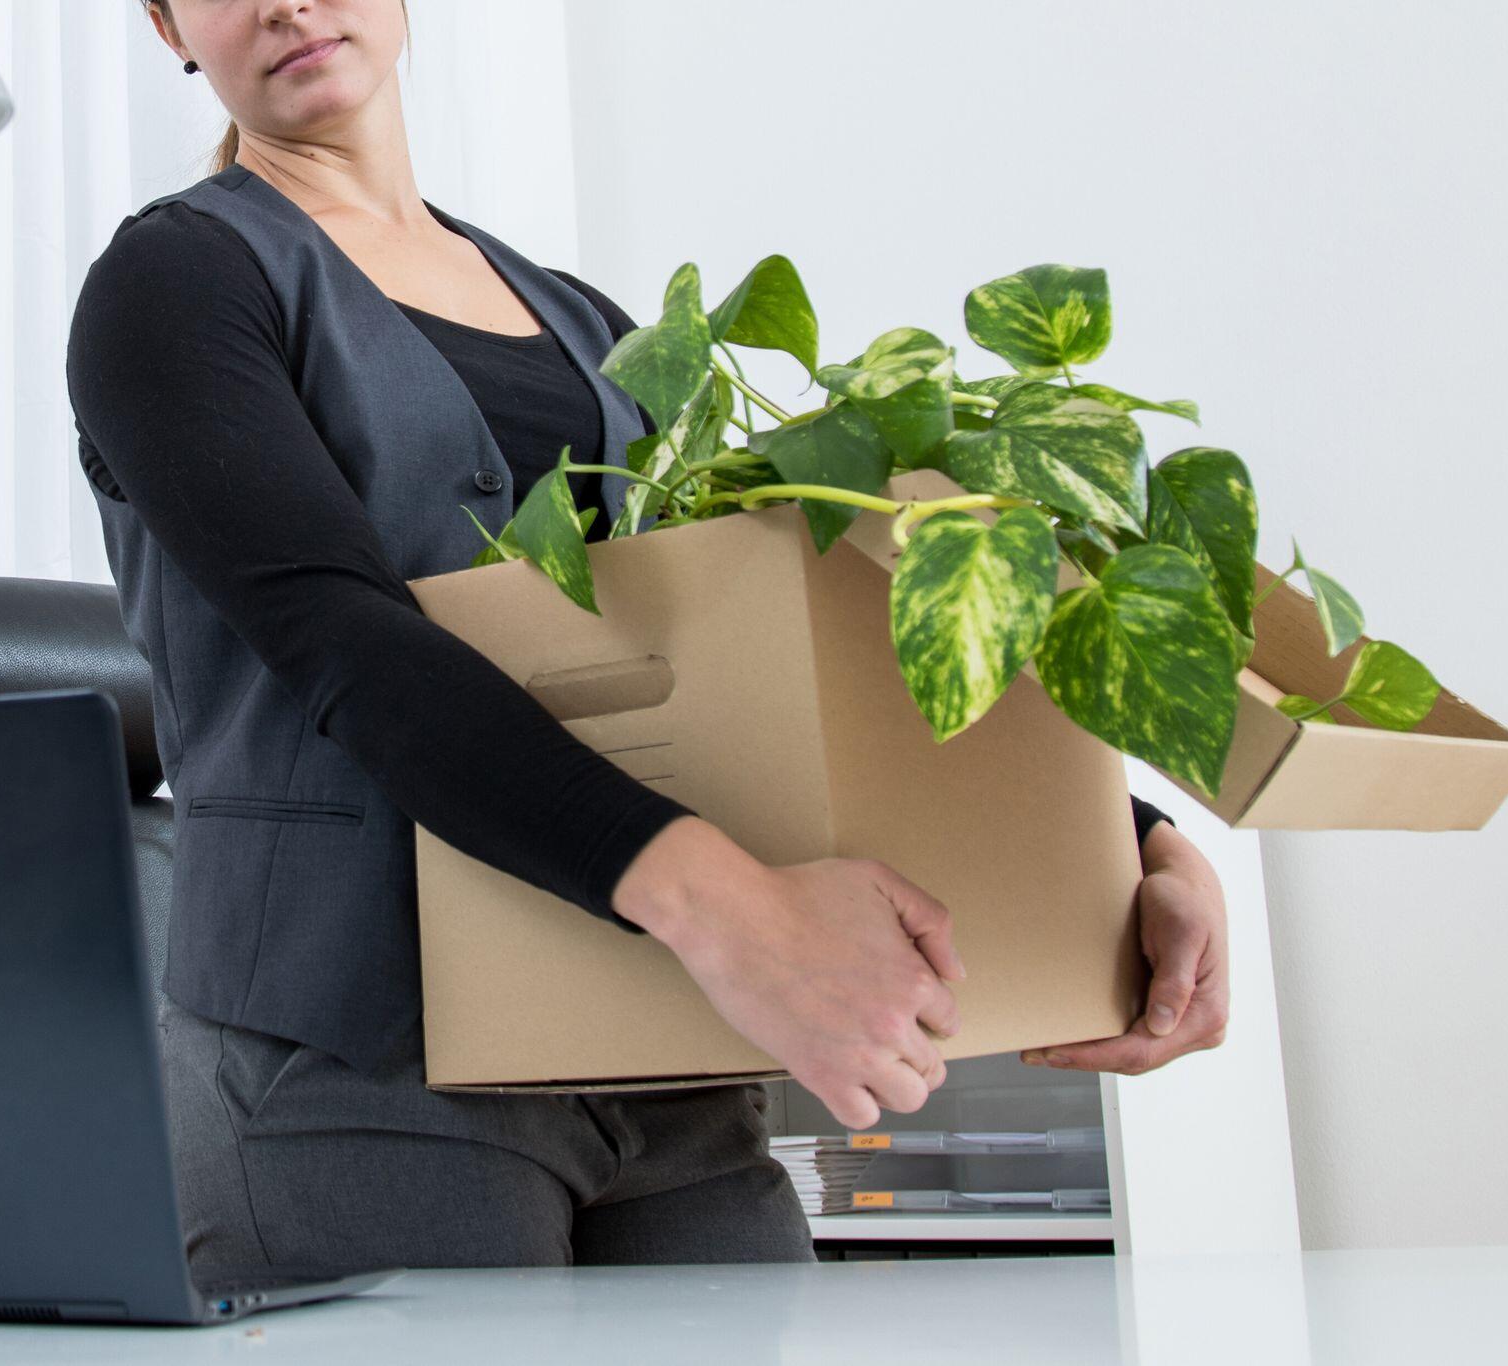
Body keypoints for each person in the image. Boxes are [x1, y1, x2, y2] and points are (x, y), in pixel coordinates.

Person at [67, 0, 1232, 1274]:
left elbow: (753, 651)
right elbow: (340, 638)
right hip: (352, 1056)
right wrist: (740, 916)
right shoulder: (171, 284)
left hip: (647, 1046)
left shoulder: (581, 319)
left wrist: (1131, 843)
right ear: (169, 27)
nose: (285, 2)